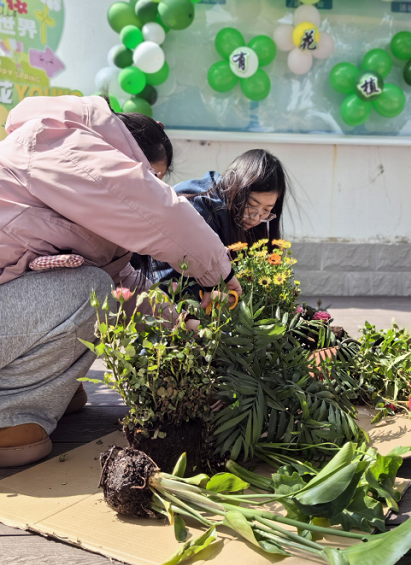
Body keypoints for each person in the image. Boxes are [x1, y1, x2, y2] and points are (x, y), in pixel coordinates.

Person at [0, 95, 240, 468]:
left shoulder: (64, 163)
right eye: (150, 178)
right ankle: (10, 414)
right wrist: (220, 276)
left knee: (98, 290)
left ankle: (43, 392)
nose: (155, 187)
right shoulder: (58, 145)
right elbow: (158, 211)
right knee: (88, 290)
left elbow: (125, 288)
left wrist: (181, 324)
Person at [154, 149, 288, 297]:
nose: (256, 218)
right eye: (251, 205)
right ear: (237, 188)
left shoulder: (239, 213)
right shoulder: (200, 209)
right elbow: (170, 283)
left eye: (267, 210)